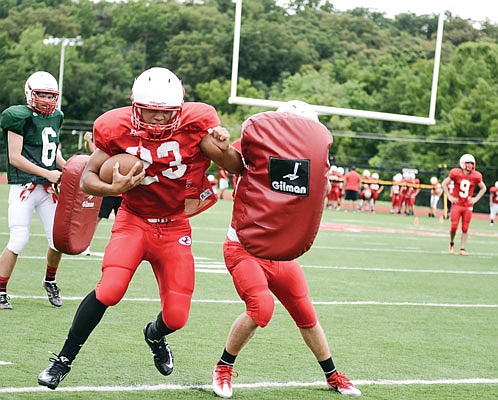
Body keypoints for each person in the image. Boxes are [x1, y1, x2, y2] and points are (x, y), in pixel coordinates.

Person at [37, 67, 243, 389]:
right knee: (110, 289)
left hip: (175, 225)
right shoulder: (115, 126)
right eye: (151, 111)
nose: (158, 120)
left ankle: (154, 335)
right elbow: (88, 178)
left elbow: (235, 167)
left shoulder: (196, 123)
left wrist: (225, 146)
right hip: (133, 219)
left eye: (166, 113)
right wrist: (112, 188)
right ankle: (63, 359)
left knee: (176, 316)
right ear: (135, 105)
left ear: (179, 110)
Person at [211, 101, 361, 398]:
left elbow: (325, 191)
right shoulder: (254, 144)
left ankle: (332, 375)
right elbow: (231, 161)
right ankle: (223, 367)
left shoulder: (310, 158)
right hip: (244, 247)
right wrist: (223, 147)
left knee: (306, 314)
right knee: (261, 308)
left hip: (280, 253)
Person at [0, 71, 66, 310]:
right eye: (43, 95)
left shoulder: (56, 116)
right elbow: (15, 157)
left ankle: (50, 280)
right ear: (30, 93)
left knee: (58, 241)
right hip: (24, 187)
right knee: (19, 239)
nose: (48, 100)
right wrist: (47, 173)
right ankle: (0, 289)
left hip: (47, 189)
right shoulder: (18, 116)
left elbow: (52, 151)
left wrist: (67, 167)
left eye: (51, 96)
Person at [81, 131, 123, 255]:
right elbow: (93, 152)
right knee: (96, 218)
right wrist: (88, 141)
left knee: (123, 223)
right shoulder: (109, 148)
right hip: (108, 190)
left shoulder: (130, 149)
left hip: (124, 192)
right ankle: (85, 245)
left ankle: (121, 250)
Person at [441, 153, 486, 256]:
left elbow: (483, 188)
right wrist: (449, 196)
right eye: (468, 163)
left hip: (467, 206)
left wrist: (475, 199)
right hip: (457, 204)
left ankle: (462, 248)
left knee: (465, 228)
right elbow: (444, 183)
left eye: (472, 163)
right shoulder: (455, 173)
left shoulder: (476, 175)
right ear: (462, 163)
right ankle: (451, 243)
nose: (470, 165)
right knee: (453, 227)